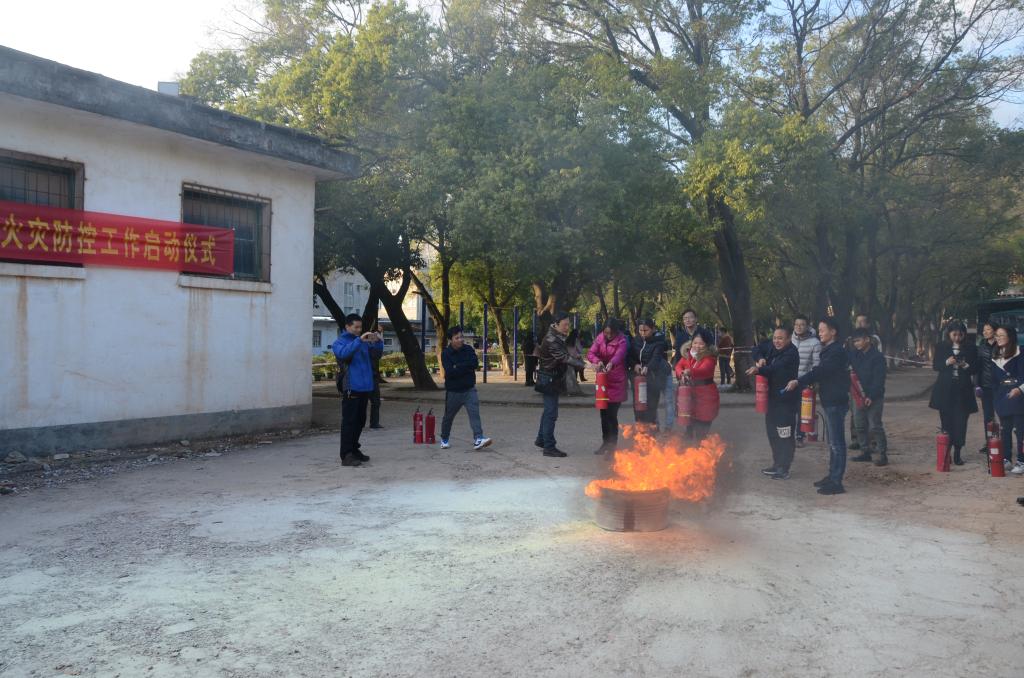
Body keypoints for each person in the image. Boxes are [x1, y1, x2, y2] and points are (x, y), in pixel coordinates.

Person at [785, 318, 851, 495]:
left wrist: (799, 381)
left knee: (837, 443)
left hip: (836, 401)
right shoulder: (829, 350)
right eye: (819, 330)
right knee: (832, 443)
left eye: (822, 330)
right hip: (830, 400)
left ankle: (837, 482)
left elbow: (821, 371)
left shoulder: (836, 351)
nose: (819, 333)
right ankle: (832, 476)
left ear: (833, 332)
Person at [332, 314, 384, 467]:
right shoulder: (339, 342)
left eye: (360, 327)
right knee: (349, 422)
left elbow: (376, 355)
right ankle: (346, 454)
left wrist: (378, 341)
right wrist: (359, 340)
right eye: (356, 327)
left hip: (365, 387)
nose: (358, 330)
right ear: (347, 326)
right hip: (351, 387)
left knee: (360, 421)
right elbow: (344, 354)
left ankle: (354, 449)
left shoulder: (363, 342)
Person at [748, 327, 800, 479]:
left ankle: (784, 467)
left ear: (789, 339)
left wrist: (758, 370)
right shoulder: (771, 346)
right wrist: (759, 358)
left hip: (786, 401)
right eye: (775, 338)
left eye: (780, 338)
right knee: (772, 433)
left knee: (784, 435)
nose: (777, 341)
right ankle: (777, 464)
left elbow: (774, 369)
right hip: (772, 399)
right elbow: (756, 349)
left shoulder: (791, 353)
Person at [535, 312, 585, 457]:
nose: (567, 327)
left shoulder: (556, 336)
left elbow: (565, 355)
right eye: (565, 325)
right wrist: (584, 365)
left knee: (548, 411)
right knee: (551, 413)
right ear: (556, 324)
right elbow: (564, 358)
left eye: (568, 324)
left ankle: (541, 439)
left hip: (552, 379)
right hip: (549, 379)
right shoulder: (551, 339)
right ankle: (549, 447)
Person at [928, 321, 978, 466]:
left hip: (963, 390)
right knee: (946, 422)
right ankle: (947, 451)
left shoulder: (971, 347)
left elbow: (975, 369)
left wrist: (965, 365)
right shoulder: (941, 346)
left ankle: (957, 452)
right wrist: (947, 362)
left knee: (961, 422)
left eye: (960, 335)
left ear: (964, 334)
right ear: (948, 334)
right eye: (954, 334)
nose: (957, 337)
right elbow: (936, 366)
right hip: (945, 390)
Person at [439, 326, 492, 451]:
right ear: (451, 340)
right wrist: (465, 367)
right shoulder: (446, 353)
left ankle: (479, 438)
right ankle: (444, 439)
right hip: (454, 391)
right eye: (457, 338)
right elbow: (450, 372)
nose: (460, 340)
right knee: (448, 417)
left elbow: (474, 364)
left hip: (469, 389)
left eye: (461, 337)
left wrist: (458, 366)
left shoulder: (468, 349)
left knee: (474, 414)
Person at [587, 318, 629, 455]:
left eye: (611, 333)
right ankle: (605, 443)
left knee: (612, 415)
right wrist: (597, 361)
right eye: (606, 333)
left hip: (616, 382)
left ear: (616, 331)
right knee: (603, 415)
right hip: (603, 381)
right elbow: (591, 353)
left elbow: (620, 354)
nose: (609, 335)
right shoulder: (600, 338)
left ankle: (612, 446)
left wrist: (611, 363)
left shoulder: (622, 340)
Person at [848, 328, 888, 466]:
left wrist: (871, 395)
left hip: (874, 397)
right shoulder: (854, 355)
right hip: (857, 395)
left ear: (867, 340)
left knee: (875, 426)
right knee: (859, 424)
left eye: (858, 340)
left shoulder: (877, 357)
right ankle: (865, 451)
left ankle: (882, 454)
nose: (856, 344)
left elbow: (879, 379)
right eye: (854, 341)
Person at [991, 325, 1024, 474]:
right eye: (996, 335)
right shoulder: (995, 356)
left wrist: (1019, 389)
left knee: (1021, 431)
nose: (998, 338)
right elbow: (994, 380)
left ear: (1010, 337)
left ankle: (1021, 461)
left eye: (1001, 335)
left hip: (1019, 396)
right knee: (1005, 430)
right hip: (1002, 397)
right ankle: (1006, 459)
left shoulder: (1020, 352)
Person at [674, 334, 720, 440]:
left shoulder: (709, 358)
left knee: (702, 426)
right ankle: (690, 443)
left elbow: (704, 370)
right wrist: (681, 373)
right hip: (690, 394)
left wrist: (690, 372)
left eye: (701, 344)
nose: (697, 346)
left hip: (705, 395)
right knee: (689, 423)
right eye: (695, 343)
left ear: (706, 345)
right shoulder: (687, 355)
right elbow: (678, 366)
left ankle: (702, 445)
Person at [629, 319, 671, 428]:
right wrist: (634, 365)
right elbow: (629, 356)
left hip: (654, 377)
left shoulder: (659, 342)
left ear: (653, 329)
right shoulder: (635, 341)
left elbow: (656, 358)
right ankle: (640, 430)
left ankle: (652, 431)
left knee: (651, 407)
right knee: (638, 406)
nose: (643, 333)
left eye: (646, 330)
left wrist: (648, 367)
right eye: (640, 330)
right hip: (638, 379)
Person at [792, 315, 822, 447]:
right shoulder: (789, 340)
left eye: (802, 324)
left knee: (802, 411)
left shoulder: (814, 343)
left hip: (804, 382)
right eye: (796, 324)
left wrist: (813, 381)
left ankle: (800, 436)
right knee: (788, 410)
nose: (799, 327)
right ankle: (787, 436)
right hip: (788, 380)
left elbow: (816, 365)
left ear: (807, 326)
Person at [976, 322, 999, 453]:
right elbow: (978, 369)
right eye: (984, 330)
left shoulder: (1002, 346)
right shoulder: (981, 348)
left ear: (995, 331)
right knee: (988, 417)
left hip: (1000, 386)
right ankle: (990, 442)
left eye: (988, 329)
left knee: (1004, 415)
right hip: (986, 386)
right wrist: (977, 385)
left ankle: (1004, 442)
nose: (985, 332)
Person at [368, 324, 384, 430]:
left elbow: (378, 352)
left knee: (376, 401)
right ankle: (373, 423)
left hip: (372, 377)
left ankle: (374, 423)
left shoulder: (374, 348)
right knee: (371, 401)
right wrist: (379, 341)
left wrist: (379, 341)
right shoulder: (367, 347)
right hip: (367, 377)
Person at [564, 329, 585, 396]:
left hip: (568, 358)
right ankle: (573, 388)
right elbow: (580, 350)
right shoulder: (576, 340)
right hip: (575, 358)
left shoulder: (567, 339)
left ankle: (569, 388)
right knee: (577, 370)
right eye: (578, 333)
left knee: (570, 373)